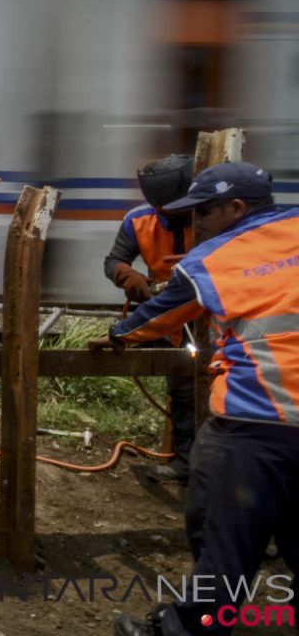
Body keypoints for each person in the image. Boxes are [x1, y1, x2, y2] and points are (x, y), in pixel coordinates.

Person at [89, 162, 299, 636]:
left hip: (256, 422)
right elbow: (118, 263)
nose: (194, 223)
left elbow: (163, 312)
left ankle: (183, 630)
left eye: (202, 212)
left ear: (237, 207)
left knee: (224, 544)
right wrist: (126, 277)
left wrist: (119, 335)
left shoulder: (214, 256)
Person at [104, 154, 196, 484]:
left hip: (215, 314)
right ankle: (187, 460)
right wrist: (127, 276)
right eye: (164, 212)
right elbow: (113, 259)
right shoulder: (139, 221)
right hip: (170, 315)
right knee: (184, 388)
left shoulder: (211, 216)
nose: (170, 217)